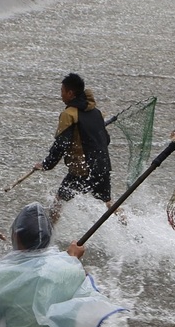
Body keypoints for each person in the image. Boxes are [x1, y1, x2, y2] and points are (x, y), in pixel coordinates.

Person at [33, 73, 119, 225]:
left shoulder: (69, 115)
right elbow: (106, 140)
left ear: (70, 93)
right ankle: (130, 229)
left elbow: (61, 144)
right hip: (103, 167)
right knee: (108, 204)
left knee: (59, 200)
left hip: (83, 169)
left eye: (63, 91)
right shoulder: (96, 112)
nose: (61, 95)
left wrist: (46, 164)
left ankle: (47, 237)